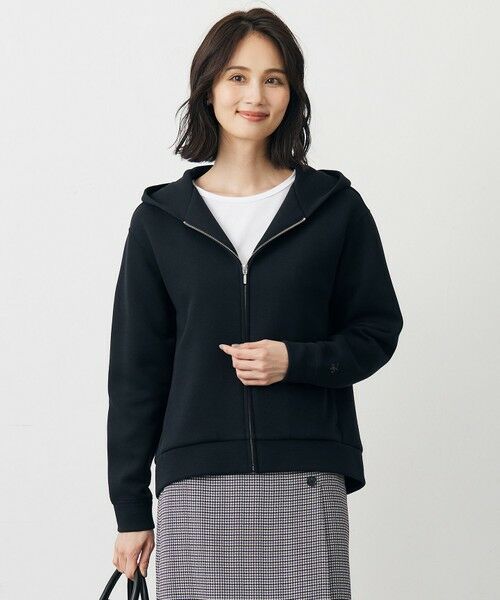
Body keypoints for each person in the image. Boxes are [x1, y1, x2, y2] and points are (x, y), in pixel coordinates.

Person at [107, 7, 404, 600]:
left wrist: (296, 360)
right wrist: (130, 507)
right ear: (209, 87)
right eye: (237, 77)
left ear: (292, 94)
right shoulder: (159, 221)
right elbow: (136, 371)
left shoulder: (335, 208)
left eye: (274, 79)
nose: (255, 96)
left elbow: (376, 329)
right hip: (194, 482)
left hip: (306, 477)